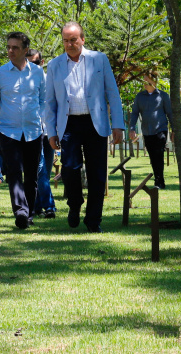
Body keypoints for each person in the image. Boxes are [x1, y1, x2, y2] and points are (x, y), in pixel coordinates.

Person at [45, 21, 125, 233]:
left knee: (97, 174)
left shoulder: (99, 59)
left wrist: (118, 124)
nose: (69, 44)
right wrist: (51, 132)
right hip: (68, 123)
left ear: (82, 39)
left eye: (73, 40)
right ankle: (75, 203)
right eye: (65, 41)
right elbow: (50, 102)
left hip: (95, 123)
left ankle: (93, 221)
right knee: (69, 169)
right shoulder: (54, 65)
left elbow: (112, 93)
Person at [0, 32, 46, 229]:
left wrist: (40, 120)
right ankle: (20, 210)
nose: (10, 51)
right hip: (8, 131)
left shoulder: (38, 74)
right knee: (13, 172)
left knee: (31, 175)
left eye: (15, 47)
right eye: (8, 47)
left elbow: (43, 101)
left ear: (25, 50)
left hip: (33, 130)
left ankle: (28, 214)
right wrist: (2, 119)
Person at [129, 71, 173, 189]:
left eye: (146, 80)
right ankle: (159, 180)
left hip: (161, 130)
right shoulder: (139, 97)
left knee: (158, 155)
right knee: (153, 157)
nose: (144, 83)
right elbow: (134, 114)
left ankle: (159, 182)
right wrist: (132, 128)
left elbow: (169, 113)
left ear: (154, 81)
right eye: (143, 80)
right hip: (147, 132)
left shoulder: (163, 96)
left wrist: (173, 130)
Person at [26, 49, 55, 218]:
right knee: (40, 169)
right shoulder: (24, 81)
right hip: (33, 132)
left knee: (45, 171)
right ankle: (49, 206)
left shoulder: (48, 81)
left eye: (35, 62)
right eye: (29, 62)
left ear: (42, 63)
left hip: (49, 132)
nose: (32, 66)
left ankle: (36, 206)